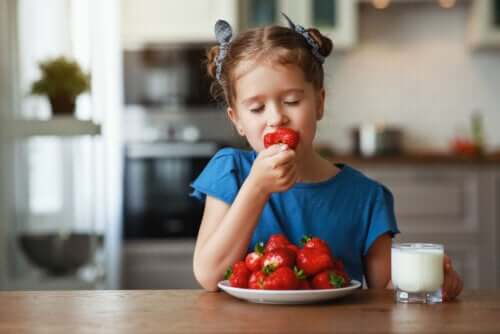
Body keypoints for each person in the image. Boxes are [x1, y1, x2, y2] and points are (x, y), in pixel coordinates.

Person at [190, 14, 463, 300]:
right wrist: (256, 188)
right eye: (257, 108)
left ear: (319, 103)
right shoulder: (229, 171)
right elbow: (209, 275)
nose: (276, 118)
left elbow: (385, 292)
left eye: (292, 101)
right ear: (237, 120)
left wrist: (434, 283)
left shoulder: (367, 197)